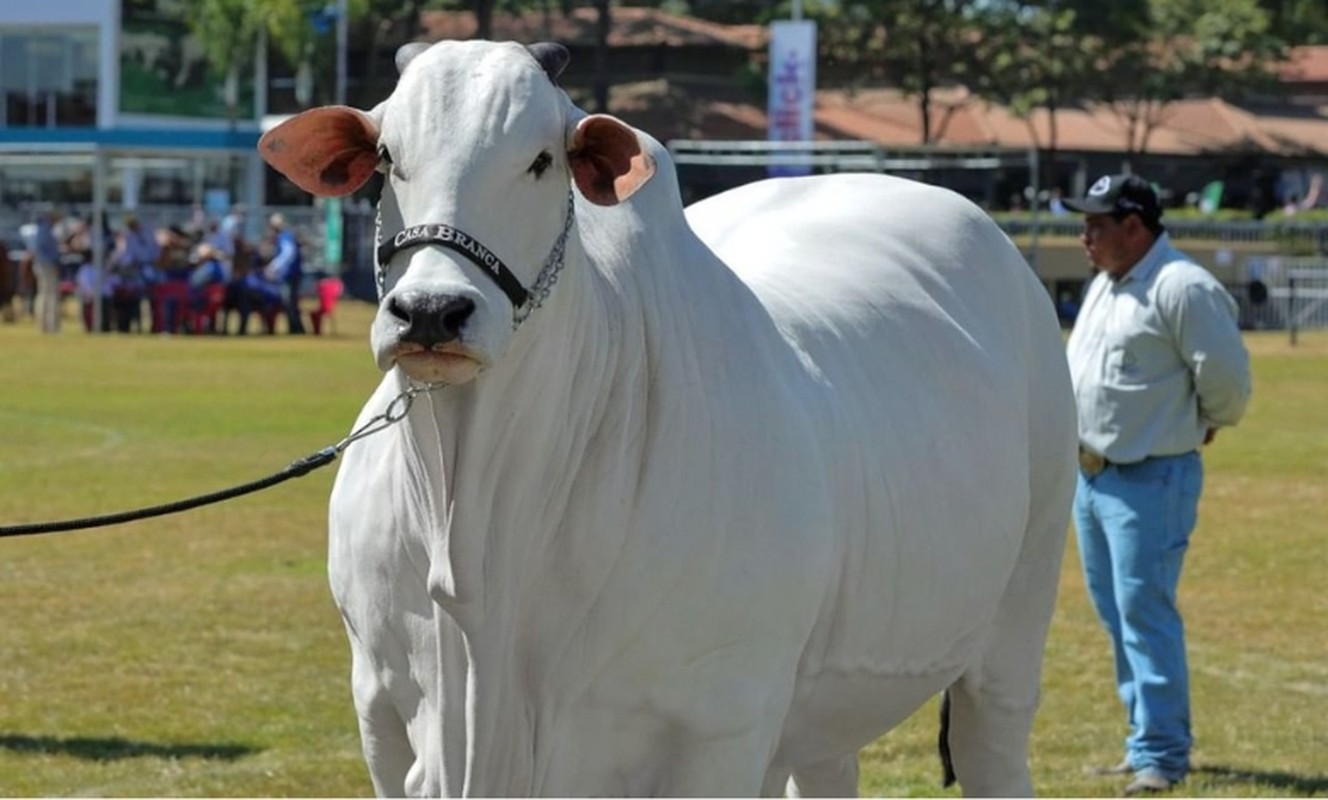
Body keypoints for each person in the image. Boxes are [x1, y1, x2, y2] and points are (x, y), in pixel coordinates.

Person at [1063, 174, 1252, 795]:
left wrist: (1207, 422)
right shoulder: (1107, 284)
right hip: (1092, 480)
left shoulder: (1181, 287)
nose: (1085, 235)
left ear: (1135, 227)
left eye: (1096, 224)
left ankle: (1162, 754)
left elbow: (1227, 381)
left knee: (1145, 614)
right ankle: (1144, 739)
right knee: (1118, 616)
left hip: (1151, 477)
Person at [263, 213, 305, 334]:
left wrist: (273, 267)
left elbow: (287, 254)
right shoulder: (284, 237)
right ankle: (296, 328)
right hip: (290, 275)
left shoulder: (284, 237)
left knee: (289, 302)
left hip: (290, 276)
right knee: (291, 302)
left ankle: (296, 328)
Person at [28, 209, 64, 333]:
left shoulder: (40, 229)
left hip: (40, 264)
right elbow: (50, 250)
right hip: (48, 265)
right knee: (51, 295)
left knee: (43, 294)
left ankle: (43, 325)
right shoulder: (46, 230)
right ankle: (51, 325)